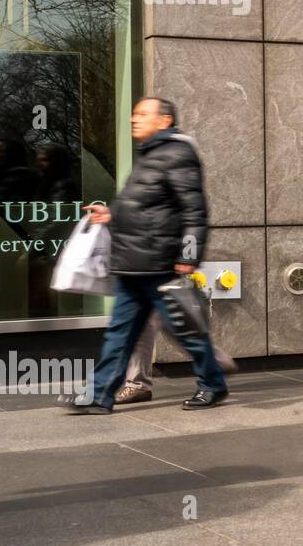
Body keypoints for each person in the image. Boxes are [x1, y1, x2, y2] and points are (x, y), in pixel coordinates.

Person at [64, 97, 229, 413]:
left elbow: (194, 211)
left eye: (142, 114)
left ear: (164, 120)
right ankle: (99, 396)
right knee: (119, 334)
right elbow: (144, 207)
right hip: (133, 266)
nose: (133, 119)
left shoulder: (178, 154)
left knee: (187, 331)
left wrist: (189, 257)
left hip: (160, 265)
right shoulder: (151, 154)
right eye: (133, 114)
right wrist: (110, 214)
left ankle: (213, 385)